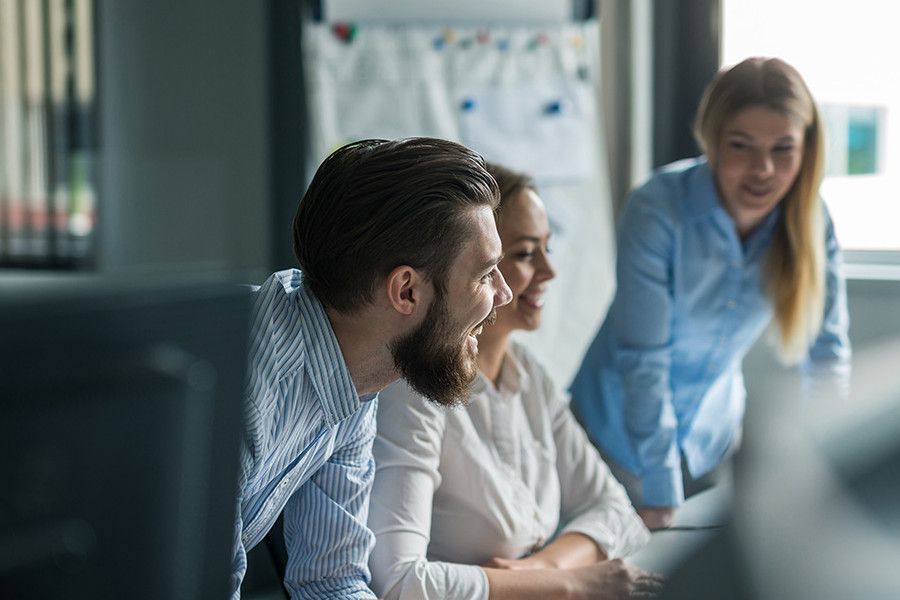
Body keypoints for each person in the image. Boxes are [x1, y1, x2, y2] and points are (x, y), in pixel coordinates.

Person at [570, 57, 851, 529]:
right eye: (742, 146)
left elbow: (827, 355)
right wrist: (661, 492)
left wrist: (835, 470)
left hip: (711, 439)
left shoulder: (811, 220)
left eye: (784, 149)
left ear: (807, 150)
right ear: (712, 140)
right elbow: (645, 359)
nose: (763, 170)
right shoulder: (658, 208)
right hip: (613, 437)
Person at [231, 138, 514, 598]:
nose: (503, 295)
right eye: (484, 275)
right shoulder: (247, 382)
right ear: (405, 291)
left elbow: (332, 579)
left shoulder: (354, 378)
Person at [368, 163, 661, 600]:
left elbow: (618, 512)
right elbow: (397, 584)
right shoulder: (413, 390)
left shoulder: (527, 373)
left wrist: (538, 570)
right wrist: (566, 584)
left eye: (546, 247)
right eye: (525, 254)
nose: (549, 270)